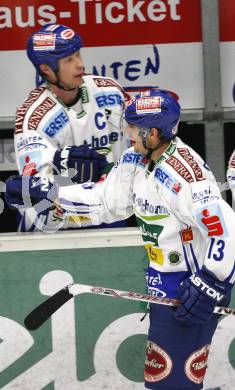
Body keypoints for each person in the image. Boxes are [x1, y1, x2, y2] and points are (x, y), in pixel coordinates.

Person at [6, 89, 235, 389]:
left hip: (191, 289)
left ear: (152, 133)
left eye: (132, 127)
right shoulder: (136, 158)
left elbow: (225, 231)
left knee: (171, 386)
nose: (126, 132)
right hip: (163, 284)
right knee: (163, 382)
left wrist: (211, 284)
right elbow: (104, 201)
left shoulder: (186, 177)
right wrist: (47, 192)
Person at [14, 23, 127, 232]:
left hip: (107, 214)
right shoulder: (33, 119)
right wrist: (64, 170)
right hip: (57, 224)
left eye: (78, 55)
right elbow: (35, 195)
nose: (80, 64)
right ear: (46, 69)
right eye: (68, 60)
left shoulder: (110, 92)